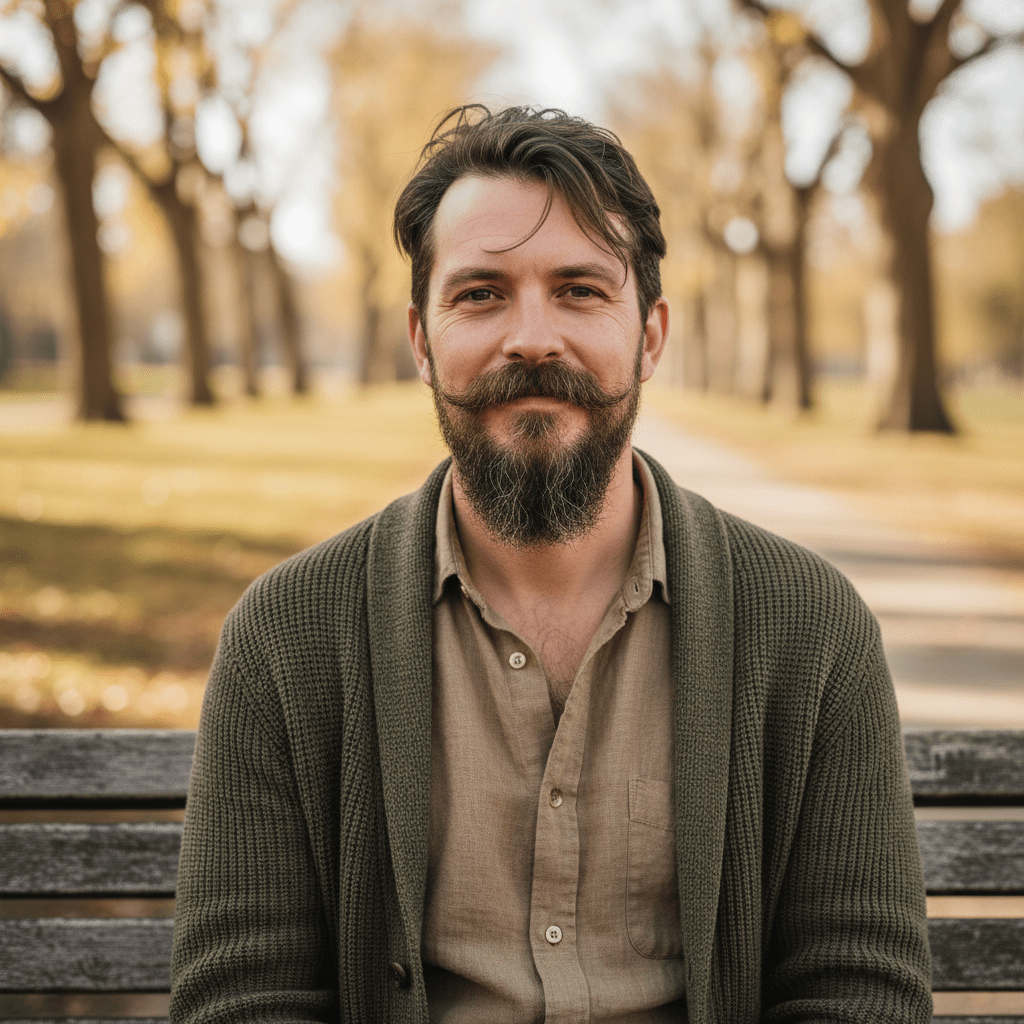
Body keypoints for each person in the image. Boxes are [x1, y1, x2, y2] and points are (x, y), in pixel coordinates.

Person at [170, 105, 931, 1023]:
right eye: (481, 293)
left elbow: (861, 993)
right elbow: (242, 1000)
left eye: (579, 289)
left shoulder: (811, 626)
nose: (531, 337)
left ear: (649, 335)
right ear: (421, 340)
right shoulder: (285, 638)